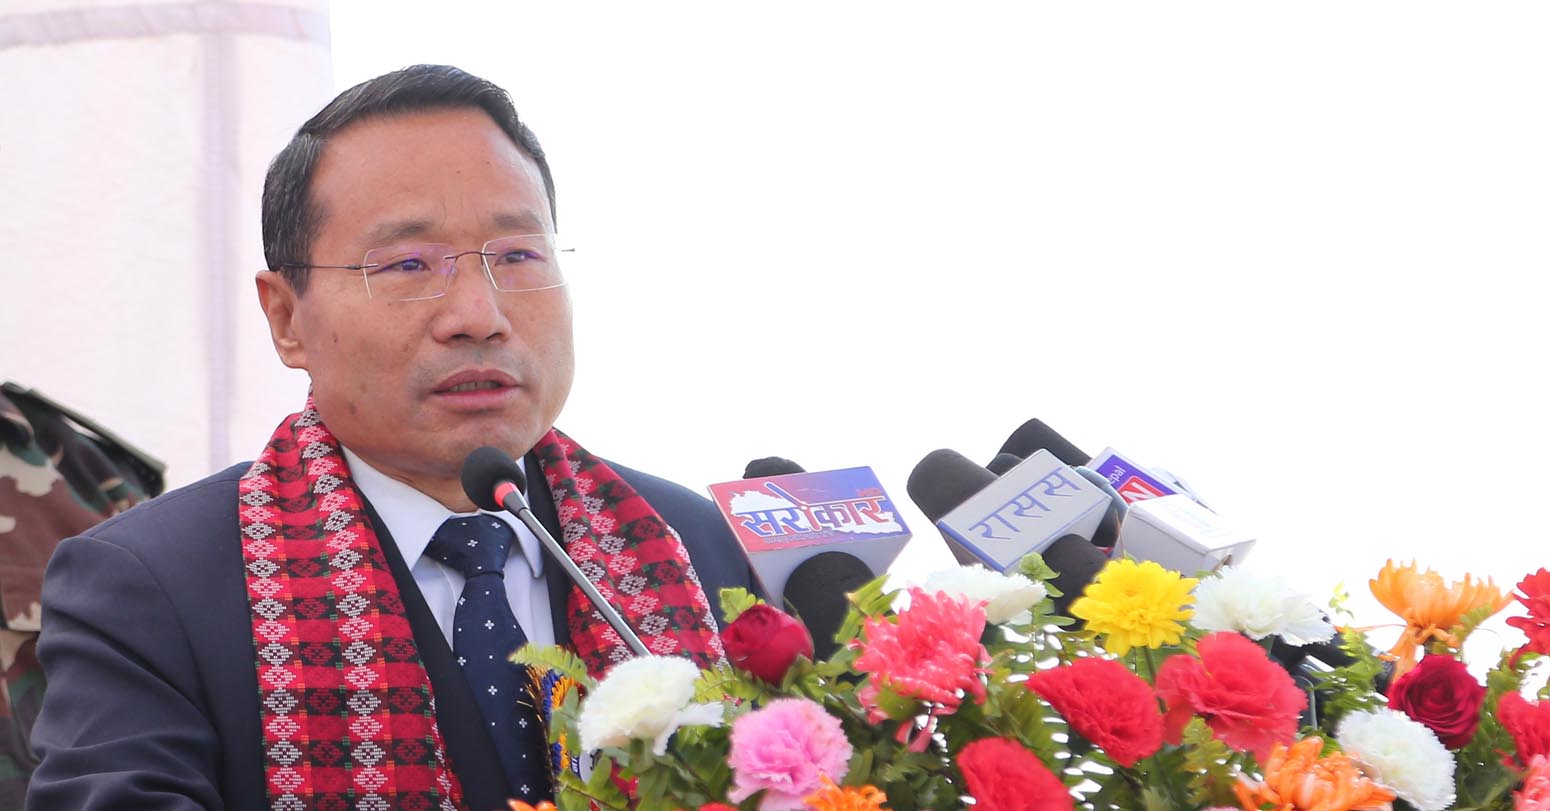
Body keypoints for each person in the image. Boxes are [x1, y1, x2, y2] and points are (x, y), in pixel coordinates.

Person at [26, 65, 759, 811]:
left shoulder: (695, 544)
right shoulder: (150, 587)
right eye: (408, 265)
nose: (479, 316)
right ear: (286, 318)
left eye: (517, 256)